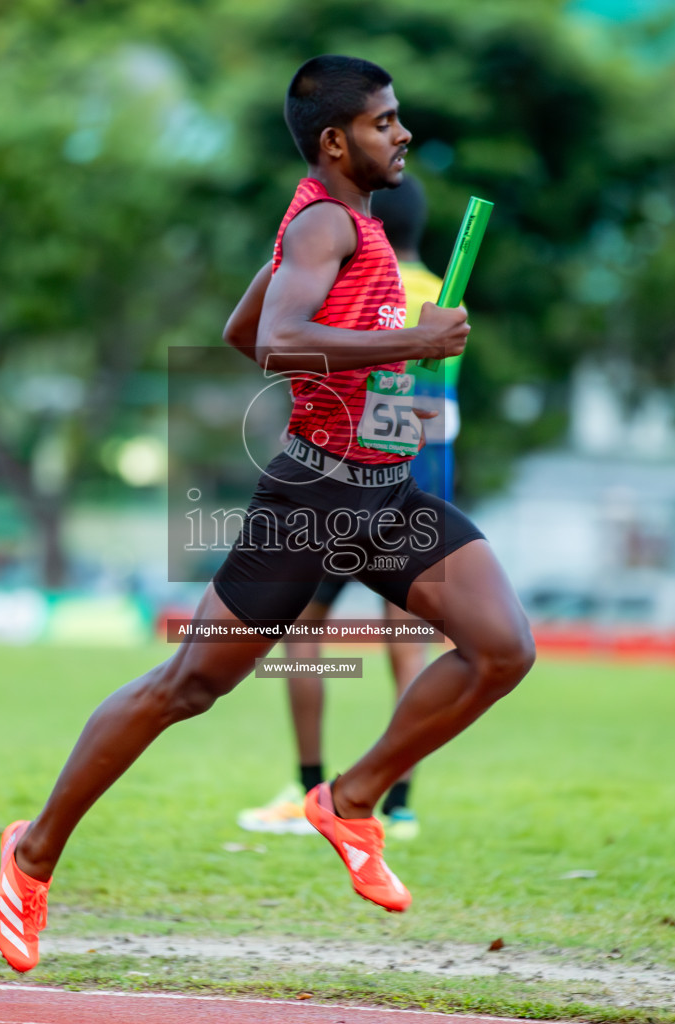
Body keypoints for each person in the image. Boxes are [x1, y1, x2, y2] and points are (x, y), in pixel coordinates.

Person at [0, 55, 534, 974]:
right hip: (312, 502)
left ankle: (351, 800)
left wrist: (386, 379)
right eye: (385, 121)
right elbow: (277, 344)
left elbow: (246, 333)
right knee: (186, 688)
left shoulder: (333, 222)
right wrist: (414, 339)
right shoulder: (325, 222)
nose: (402, 133)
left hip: (385, 496)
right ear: (335, 140)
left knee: (502, 647)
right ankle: (31, 853)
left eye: (400, 119)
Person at [235, 174, 462, 842]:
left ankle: (310, 786)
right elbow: (430, 405)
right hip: (418, 483)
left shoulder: (360, 278)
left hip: (344, 477)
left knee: (303, 634)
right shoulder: (445, 294)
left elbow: (306, 361)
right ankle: (400, 802)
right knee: (407, 641)